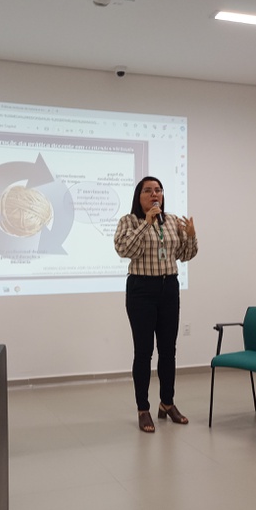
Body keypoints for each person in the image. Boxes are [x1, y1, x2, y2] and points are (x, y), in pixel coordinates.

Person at [114, 177, 198, 433]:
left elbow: (184, 255)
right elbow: (124, 250)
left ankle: (167, 403)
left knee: (168, 350)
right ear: (138, 196)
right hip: (141, 289)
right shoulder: (129, 221)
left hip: (169, 287)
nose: (154, 194)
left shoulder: (171, 220)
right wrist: (146, 224)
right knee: (143, 351)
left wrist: (191, 237)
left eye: (158, 190)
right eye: (148, 190)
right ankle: (143, 409)